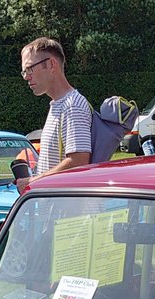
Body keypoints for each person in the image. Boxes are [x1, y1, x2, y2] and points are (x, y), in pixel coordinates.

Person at [16, 37, 91, 187]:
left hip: (69, 208)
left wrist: (33, 181)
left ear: (51, 64)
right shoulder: (59, 104)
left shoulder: (72, 105)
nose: (26, 77)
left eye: (30, 68)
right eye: (24, 72)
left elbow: (79, 161)